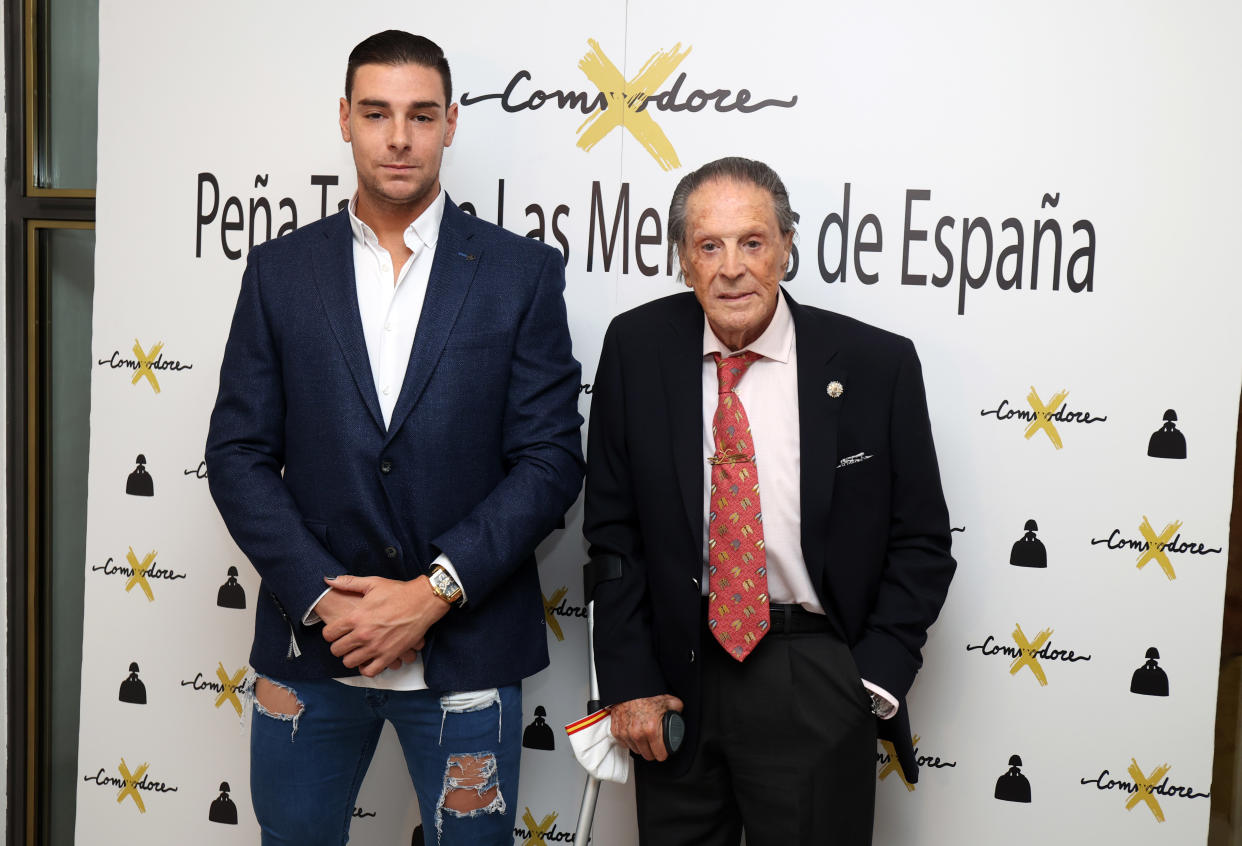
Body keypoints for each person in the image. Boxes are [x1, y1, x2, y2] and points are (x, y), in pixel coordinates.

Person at [205, 30, 583, 845]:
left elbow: (551, 460)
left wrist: (430, 594)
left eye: (420, 115)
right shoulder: (279, 271)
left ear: (451, 123)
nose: (399, 138)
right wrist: (321, 595)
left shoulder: (521, 274)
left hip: (466, 650)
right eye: (377, 113)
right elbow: (236, 455)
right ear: (345, 119)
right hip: (312, 650)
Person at [583, 157, 955, 845]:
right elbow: (613, 534)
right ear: (683, 261)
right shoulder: (635, 349)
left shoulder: (877, 365)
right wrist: (629, 680)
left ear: (787, 246)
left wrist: (869, 680)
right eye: (709, 246)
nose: (731, 268)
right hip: (676, 677)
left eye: (752, 242)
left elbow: (922, 541)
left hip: (814, 670)